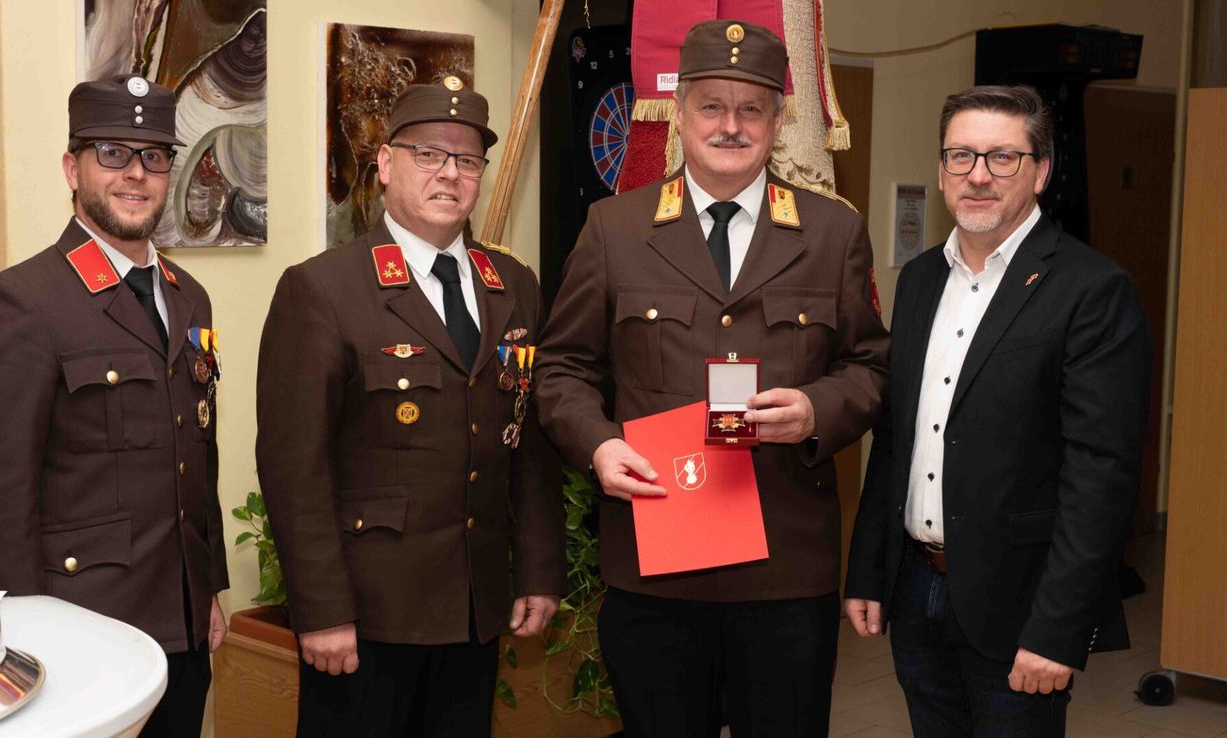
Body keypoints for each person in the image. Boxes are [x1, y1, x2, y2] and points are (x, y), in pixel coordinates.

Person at [534, 20, 889, 738]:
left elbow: (872, 367)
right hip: (656, 565)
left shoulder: (831, 232)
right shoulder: (615, 229)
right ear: (680, 111)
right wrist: (599, 446)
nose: (731, 126)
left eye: (751, 108)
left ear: (778, 118)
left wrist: (818, 409)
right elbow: (563, 368)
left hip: (786, 570)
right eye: (712, 107)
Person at [255, 77, 565, 738]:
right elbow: (293, 470)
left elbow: (528, 447)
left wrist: (538, 570)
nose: (449, 173)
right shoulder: (323, 289)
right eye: (429, 154)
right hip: (368, 619)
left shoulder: (511, 285)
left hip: (475, 610)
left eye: (467, 159)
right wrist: (322, 610)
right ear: (387, 164)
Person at [844, 85, 1152, 738]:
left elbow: (1100, 474)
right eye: (961, 156)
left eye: (1002, 158)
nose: (978, 175)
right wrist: (870, 569)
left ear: (1040, 171)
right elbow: (897, 436)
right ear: (942, 169)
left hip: (1021, 606)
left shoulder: (1092, 290)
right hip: (916, 589)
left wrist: (1059, 628)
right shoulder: (920, 278)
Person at [0, 74, 229, 737]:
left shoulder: (188, 296)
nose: (136, 174)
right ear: (71, 167)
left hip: (184, 629)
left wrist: (210, 590)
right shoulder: (24, 302)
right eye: (112, 152)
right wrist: (20, 640)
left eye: (154, 156)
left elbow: (195, 455)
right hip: (81, 637)